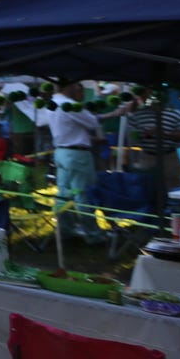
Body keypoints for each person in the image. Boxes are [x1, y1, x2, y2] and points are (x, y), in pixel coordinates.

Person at [33, 83, 109, 244]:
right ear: (72, 87)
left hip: (61, 152)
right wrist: (116, 113)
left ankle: (65, 229)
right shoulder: (70, 105)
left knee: (64, 193)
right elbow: (93, 122)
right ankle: (93, 234)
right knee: (83, 193)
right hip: (77, 155)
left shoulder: (52, 104)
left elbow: (67, 128)